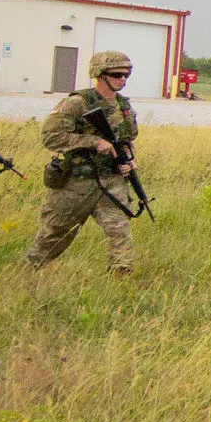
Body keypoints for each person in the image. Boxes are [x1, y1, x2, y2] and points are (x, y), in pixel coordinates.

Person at [26, 50, 142, 276]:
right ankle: (31, 271)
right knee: (56, 232)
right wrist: (93, 141)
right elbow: (51, 137)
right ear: (99, 74)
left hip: (111, 180)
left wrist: (129, 158)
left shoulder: (124, 106)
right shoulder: (77, 103)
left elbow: (127, 139)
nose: (122, 79)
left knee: (120, 230)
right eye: (116, 74)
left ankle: (121, 279)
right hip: (77, 181)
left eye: (126, 75)